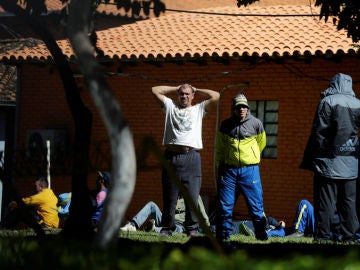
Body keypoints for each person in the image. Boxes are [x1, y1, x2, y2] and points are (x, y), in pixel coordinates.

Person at [151, 84, 219, 237]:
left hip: (191, 158)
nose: (184, 96)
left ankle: (192, 229)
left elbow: (216, 96)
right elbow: (155, 90)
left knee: (192, 197)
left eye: (188, 94)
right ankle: (167, 228)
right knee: (170, 196)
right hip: (171, 157)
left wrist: (197, 89)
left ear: (192, 96)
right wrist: (176, 87)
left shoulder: (198, 109)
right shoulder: (170, 106)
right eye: (181, 94)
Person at [300, 73, 360, 243]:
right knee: (349, 203)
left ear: (334, 84)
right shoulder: (358, 104)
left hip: (328, 163)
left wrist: (316, 157)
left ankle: (323, 237)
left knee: (325, 202)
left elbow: (319, 133)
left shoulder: (327, 102)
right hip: (351, 164)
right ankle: (349, 237)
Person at [215, 93, 268, 242]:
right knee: (225, 207)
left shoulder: (256, 123)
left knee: (256, 207)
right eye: (238, 106)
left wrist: (251, 157)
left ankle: (261, 236)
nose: (242, 109)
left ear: (248, 107)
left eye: (244, 106)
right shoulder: (225, 125)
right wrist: (219, 166)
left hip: (250, 171)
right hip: (228, 171)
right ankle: (223, 237)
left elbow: (261, 144)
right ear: (233, 108)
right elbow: (219, 147)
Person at [120, 196, 210, 233]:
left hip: (180, 225)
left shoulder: (195, 196)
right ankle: (133, 225)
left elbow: (204, 216)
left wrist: (207, 230)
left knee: (176, 229)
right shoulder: (174, 195)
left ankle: (154, 228)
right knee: (152, 205)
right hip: (167, 220)